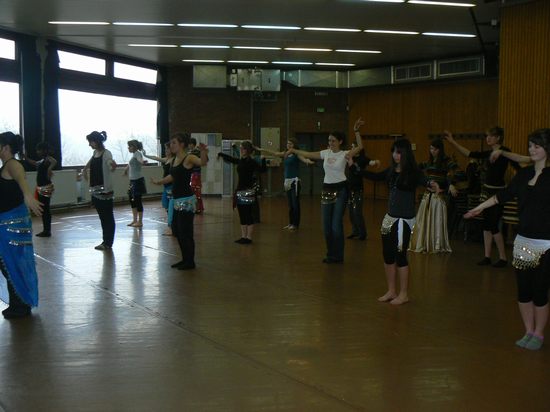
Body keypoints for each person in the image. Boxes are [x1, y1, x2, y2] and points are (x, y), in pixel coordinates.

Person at [465, 128, 550, 351]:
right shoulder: (523, 175)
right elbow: (501, 196)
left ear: (546, 149)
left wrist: (502, 152)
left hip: (546, 244)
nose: (532, 150)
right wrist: (479, 208)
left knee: (540, 291)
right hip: (523, 242)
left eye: (537, 146)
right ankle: (528, 330)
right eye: (530, 146)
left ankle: (539, 333)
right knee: (524, 290)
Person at [357, 139, 438, 305]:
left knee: (400, 256)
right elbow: (376, 176)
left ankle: (404, 294)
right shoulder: (391, 171)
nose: (395, 155)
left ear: (406, 153)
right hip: (389, 218)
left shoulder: (413, 173)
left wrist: (431, 183)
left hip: (404, 220)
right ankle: (391, 290)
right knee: (388, 255)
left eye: (399, 152)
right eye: (394, 151)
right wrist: (357, 169)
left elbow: (424, 180)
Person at [444, 128, 519, 267]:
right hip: (487, 193)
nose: (488, 138)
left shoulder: (505, 152)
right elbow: (469, 153)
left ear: (498, 137)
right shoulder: (488, 153)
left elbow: (518, 166)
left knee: (493, 225)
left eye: (491, 136)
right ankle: (487, 256)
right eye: (487, 136)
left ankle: (503, 258)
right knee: (486, 225)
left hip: (498, 193)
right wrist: (453, 141)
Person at [289, 131, 362, 263]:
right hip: (327, 189)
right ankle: (331, 254)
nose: (330, 143)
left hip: (341, 190)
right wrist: (294, 150)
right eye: (329, 140)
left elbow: (360, 147)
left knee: (336, 225)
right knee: (326, 226)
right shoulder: (325, 153)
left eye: (333, 141)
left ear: (340, 142)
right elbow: (308, 154)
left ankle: (338, 255)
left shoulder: (345, 154)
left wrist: (356, 131)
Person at [0, 132, 43, 319]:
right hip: (7, 223)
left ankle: (21, 305)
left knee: (13, 264)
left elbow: (21, 179)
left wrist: (28, 195)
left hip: (11, 225)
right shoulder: (5, 166)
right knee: (9, 265)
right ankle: (18, 303)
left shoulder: (12, 164)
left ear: (5, 147)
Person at [151, 133, 208, 270]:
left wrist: (203, 152)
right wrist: (159, 182)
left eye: (174, 143)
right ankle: (184, 259)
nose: (171, 145)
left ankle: (190, 261)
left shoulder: (189, 158)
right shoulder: (174, 159)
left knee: (185, 232)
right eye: (171, 143)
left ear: (182, 144)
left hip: (186, 201)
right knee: (177, 231)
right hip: (176, 200)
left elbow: (203, 163)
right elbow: (172, 176)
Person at [254, 138, 314, 231]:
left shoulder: (296, 154)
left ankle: (295, 224)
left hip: (294, 182)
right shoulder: (285, 154)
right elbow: (274, 153)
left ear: (294, 145)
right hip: (287, 182)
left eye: (291, 144)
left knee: (295, 204)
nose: (288, 145)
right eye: (287, 143)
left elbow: (304, 159)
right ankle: (291, 223)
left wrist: (309, 162)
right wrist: (261, 149)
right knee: (290, 205)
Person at [409, 138, 458, 253]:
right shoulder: (429, 162)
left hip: (438, 196)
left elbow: (455, 172)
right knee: (424, 221)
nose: (433, 151)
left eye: (435, 149)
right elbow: (417, 169)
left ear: (440, 150)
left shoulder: (446, 161)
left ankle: (435, 244)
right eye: (431, 149)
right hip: (427, 196)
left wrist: (451, 184)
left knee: (436, 221)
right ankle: (424, 243)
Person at [218, 141, 266, 244]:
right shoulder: (241, 161)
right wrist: (221, 154)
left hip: (248, 191)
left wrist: (264, 160)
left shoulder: (252, 162)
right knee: (242, 214)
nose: (241, 150)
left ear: (247, 150)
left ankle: (249, 237)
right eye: (240, 148)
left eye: (243, 148)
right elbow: (232, 159)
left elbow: (262, 170)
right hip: (240, 190)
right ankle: (243, 236)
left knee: (248, 214)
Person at [83, 131, 117, 251]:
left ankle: (108, 242)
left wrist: (112, 165)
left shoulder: (106, 153)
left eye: (90, 142)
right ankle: (105, 241)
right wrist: (84, 170)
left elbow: (110, 163)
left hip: (105, 191)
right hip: (95, 190)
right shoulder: (95, 153)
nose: (89, 144)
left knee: (107, 217)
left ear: (96, 141)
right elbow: (90, 162)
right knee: (102, 217)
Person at [346, 118, 380, 240]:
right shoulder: (349, 158)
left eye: (354, 147)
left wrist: (376, 162)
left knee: (357, 212)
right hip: (350, 188)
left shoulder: (362, 159)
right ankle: (355, 231)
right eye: (351, 147)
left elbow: (371, 162)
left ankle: (362, 233)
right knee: (351, 212)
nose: (352, 149)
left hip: (358, 189)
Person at [21, 141, 57, 237]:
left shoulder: (48, 159)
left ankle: (47, 230)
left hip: (45, 188)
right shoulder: (42, 161)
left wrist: (49, 169)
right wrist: (26, 158)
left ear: (44, 150)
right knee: (44, 209)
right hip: (41, 188)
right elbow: (34, 163)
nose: (37, 152)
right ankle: (46, 229)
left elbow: (54, 161)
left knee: (45, 209)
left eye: (38, 150)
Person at [144, 142, 174, 235]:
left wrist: (158, 182)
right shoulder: (167, 159)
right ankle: (172, 226)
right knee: (166, 205)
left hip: (171, 186)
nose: (166, 151)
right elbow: (155, 158)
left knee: (170, 207)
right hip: (166, 186)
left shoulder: (174, 160)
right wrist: (145, 155)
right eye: (165, 149)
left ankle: (171, 227)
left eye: (167, 149)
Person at [123, 139, 147, 227]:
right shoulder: (134, 155)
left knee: (137, 200)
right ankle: (134, 220)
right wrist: (126, 169)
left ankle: (140, 221)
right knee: (132, 200)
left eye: (129, 146)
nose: (128, 148)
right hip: (132, 181)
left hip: (138, 181)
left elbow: (140, 160)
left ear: (134, 147)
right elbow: (131, 164)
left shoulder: (137, 154)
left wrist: (142, 162)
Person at [188, 138, 206, 214]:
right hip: (193, 174)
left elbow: (204, 160)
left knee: (196, 191)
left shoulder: (195, 152)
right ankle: (197, 208)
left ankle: (198, 208)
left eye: (189, 144)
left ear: (192, 144)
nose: (189, 146)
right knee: (194, 191)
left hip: (196, 174)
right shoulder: (192, 152)